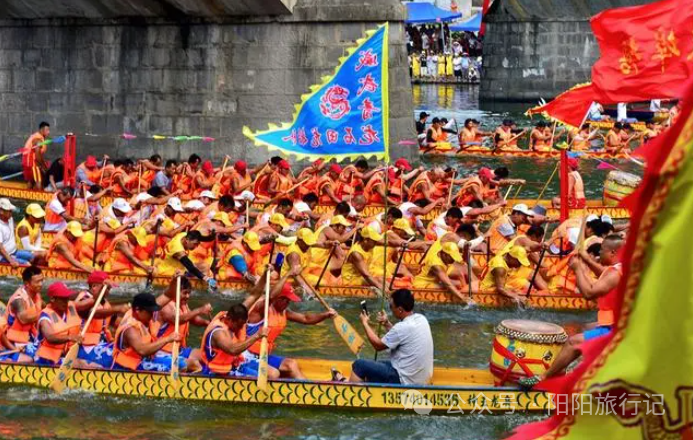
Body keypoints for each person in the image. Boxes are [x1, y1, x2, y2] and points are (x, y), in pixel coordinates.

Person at [520, 235, 624, 388]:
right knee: (585, 327)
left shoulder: (615, 273)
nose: (599, 254)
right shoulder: (621, 268)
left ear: (613, 252)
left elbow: (589, 293)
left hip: (616, 328)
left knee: (573, 342)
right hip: (616, 322)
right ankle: (571, 369)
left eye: (602, 250)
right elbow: (603, 274)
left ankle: (544, 378)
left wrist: (578, 269)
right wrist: (585, 260)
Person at [244, 278, 335, 379]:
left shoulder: (284, 312)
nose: (287, 303)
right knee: (274, 374)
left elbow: (306, 319)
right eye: (285, 300)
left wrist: (326, 315)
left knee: (291, 364)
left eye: (289, 301)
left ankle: (306, 386)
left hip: (264, 356)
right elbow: (270, 297)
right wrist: (289, 273)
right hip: (247, 356)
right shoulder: (261, 309)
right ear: (278, 298)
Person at [339, 289, 433, 385]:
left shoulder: (402, 327)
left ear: (400, 309)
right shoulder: (421, 319)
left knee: (359, 364)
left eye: (391, 306)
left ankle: (350, 388)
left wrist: (364, 323)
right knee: (377, 363)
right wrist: (387, 323)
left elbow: (378, 345)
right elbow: (401, 336)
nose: (391, 309)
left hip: (404, 380)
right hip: (418, 377)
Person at [111, 290, 194, 373]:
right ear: (137, 310)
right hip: (129, 365)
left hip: (145, 359)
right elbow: (142, 350)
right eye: (149, 311)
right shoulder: (130, 329)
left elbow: (167, 294)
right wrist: (167, 339)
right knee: (168, 369)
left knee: (184, 364)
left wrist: (174, 283)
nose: (152, 314)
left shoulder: (143, 320)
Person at [0, 266, 44, 363]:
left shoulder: (36, 295)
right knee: (36, 359)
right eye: (37, 282)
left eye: (42, 280)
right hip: (12, 342)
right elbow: (24, 319)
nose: (41, 284)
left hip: (29, 338)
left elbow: (45, 308)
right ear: (27, 284)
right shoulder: (19, 299)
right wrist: (44, 315)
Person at [33, 282, 83, 366]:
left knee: (92, 364)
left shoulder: (69, 308)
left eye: (67, 298)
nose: (66, 302)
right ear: (52, 299)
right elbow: (50, 337)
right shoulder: (45, 317)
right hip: (46, 358)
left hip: (66, 354)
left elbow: (91, 302)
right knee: (80, 364)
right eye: (63, 299)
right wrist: (70, 337)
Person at [0, 198, 33, 266]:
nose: (11, 213)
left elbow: (13, 230)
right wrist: (11, 260)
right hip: (3, 257)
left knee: (33, 257)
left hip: (14, 251)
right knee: (27, 264)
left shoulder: (10, 219)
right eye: (9, 211)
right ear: (1, 211)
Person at [22, 121, 50, 190]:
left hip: (27, 163)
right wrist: (44, 167)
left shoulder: (36, 136)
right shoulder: (38, 139)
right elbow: (37, 155)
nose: (48, 132)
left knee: (31, 181)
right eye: (47, 130)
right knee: (39, 181)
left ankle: (27, 195)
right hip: (32, 163)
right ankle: (40, 196)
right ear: (42, 130)